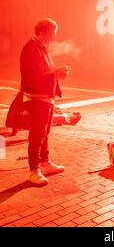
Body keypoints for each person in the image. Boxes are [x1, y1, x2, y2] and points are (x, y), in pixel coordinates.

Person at [20, 19, 71, 186]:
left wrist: (57, 74)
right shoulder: (30, 49)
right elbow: (33, 76)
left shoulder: (40, 48)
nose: (55, 36)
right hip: (37, 99)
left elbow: (45, 72)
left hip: (45, 99)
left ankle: (44, 163)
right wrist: (55, 73)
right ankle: (33, 170)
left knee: (45, 133)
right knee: (37, 134)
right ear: (43, 32)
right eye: (53, 32)